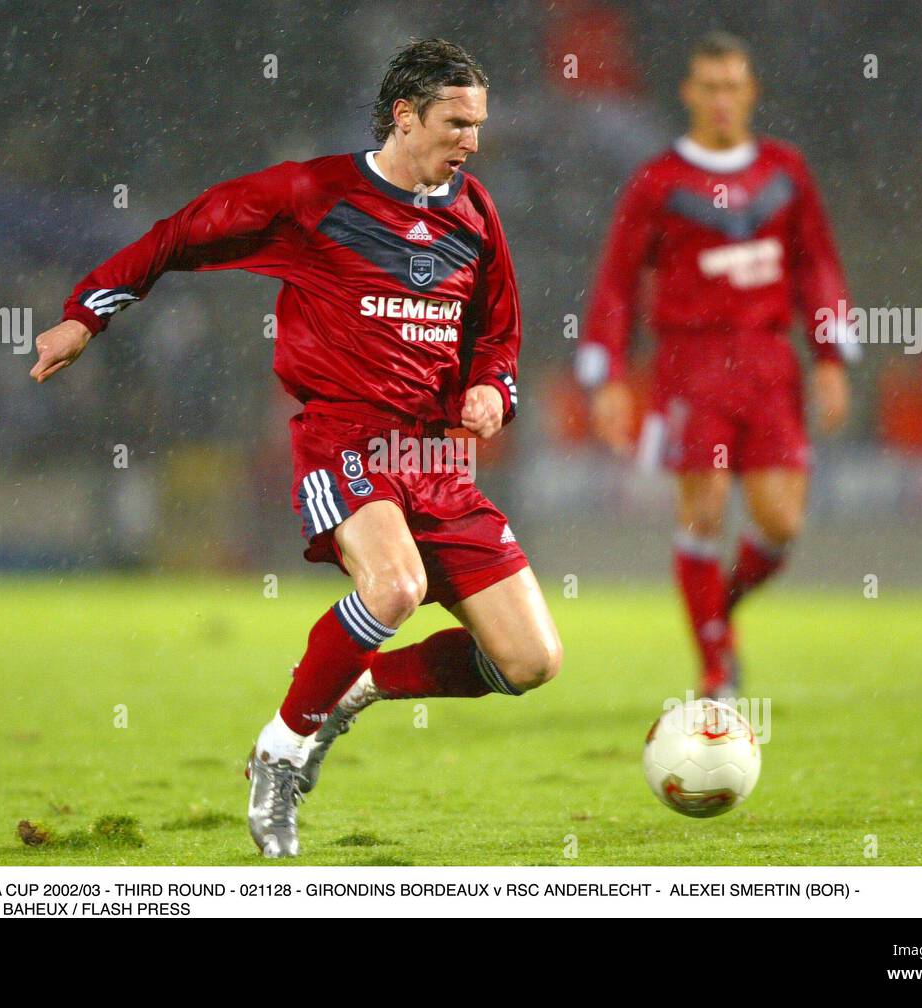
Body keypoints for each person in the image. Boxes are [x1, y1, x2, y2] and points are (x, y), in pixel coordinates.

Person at [30, 39, 563, 857]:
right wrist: (87, 313)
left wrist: (494, 387)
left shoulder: (474, 211)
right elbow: (179, 233)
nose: (473, 141)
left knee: (530, 661)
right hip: (346, 438)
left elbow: (498, 332)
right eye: (458, 122)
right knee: (394, 586)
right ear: (405, 115)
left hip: (440, 462)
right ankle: (280, 757)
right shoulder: (313, 193)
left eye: (479, 124)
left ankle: (359, 687)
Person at [576, 32, 854, 699]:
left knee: (782, 522)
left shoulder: (786, 172)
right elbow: (617, 281)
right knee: (702, 511)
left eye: (734, 86)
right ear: (689, 94)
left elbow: (815, 264)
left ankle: (714, 615)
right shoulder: (660, 182)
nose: (723, 99)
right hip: (691, 362)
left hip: (768, 360)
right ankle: (714, 669)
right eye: (710, 86)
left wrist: (831, 356)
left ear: (751, 91)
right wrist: (608, 375)